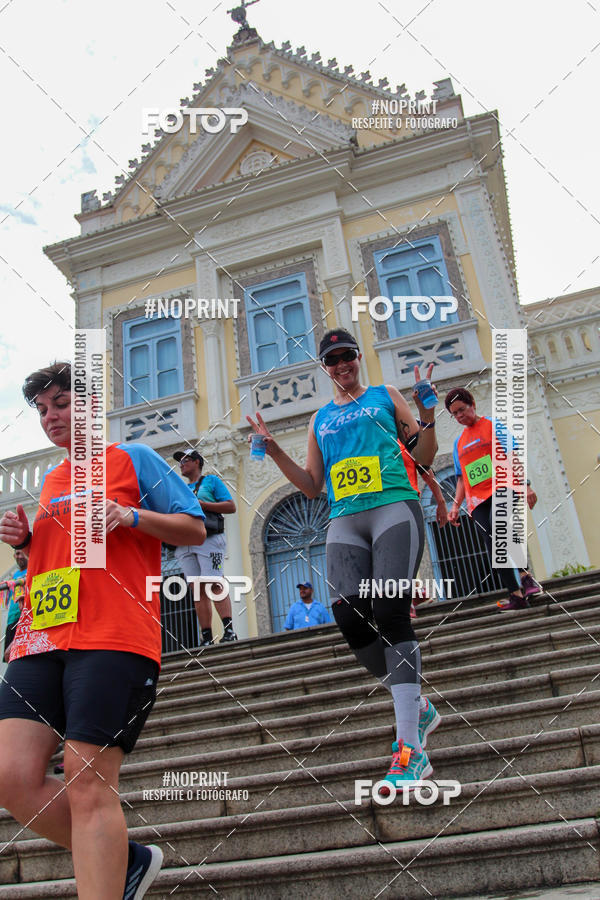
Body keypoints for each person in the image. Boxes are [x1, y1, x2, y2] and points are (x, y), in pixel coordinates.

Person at [0, 362, 206, 899]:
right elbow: (59, 560)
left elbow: (194, 527)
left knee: (86, 777)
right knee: (9, 776)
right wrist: (26, 542)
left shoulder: (132, 458)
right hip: (40, 638)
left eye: (62, 404)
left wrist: (130, 515)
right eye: (42, 410)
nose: (50, 416)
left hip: (113, 637)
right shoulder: (53, 480)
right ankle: (127, 861)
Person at [247, 327, 441, 789]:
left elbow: (425, 456)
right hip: (344, 518)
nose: (341, 365)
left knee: (390, 612)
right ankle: (416, 704)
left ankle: (410, 750)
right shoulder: (319, 419)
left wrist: (428, 414)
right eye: (332, 359)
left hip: (393, 506)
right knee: (351, 619)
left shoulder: (385, 395)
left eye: (347, 355)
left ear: (358, 356)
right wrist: (274, 450)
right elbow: (312, 485)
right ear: (324, 367)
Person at [445, 387, 541, 610]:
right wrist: (455, 506)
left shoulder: (493, 425)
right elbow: (461, 478)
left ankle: (526, 577)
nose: (459, 416)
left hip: (503, 487)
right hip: (477, 499)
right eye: (455, 414)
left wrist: (525, 485)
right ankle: (516, 594)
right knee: (491, 542)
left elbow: (512, 455)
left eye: (462, 410)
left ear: (473, 404)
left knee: (499, 526)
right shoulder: (458, 443)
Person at [173, 449, 238, 646]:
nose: (182, 464)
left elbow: (230, 506)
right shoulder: (180, 488)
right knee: (197, 589)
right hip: (185, 541)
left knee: (214, 582)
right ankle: (207, 636)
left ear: (197, 462)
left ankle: (229, 630)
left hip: (209, 538)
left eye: (186, 460)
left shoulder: (211, 481)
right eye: (180, 462)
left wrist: (202, 505)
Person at [3, 548, 27, 661]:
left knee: (17, 654)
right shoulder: (15, 575)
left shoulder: (31, 570)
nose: (19, 556)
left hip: (22, 617)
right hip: (11, 619)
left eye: (22, 553)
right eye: (17, 553)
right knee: (9, 657)